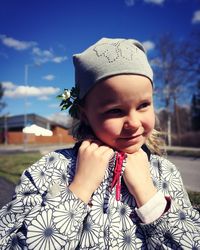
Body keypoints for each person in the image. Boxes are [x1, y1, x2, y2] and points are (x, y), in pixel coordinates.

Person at [0, 38, 200, 249]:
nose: (133, 123)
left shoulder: (166, 172)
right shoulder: (49, 170)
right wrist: (79, 190)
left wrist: (149, 197)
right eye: (115, 110)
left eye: (143, 105)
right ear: (84, 115)